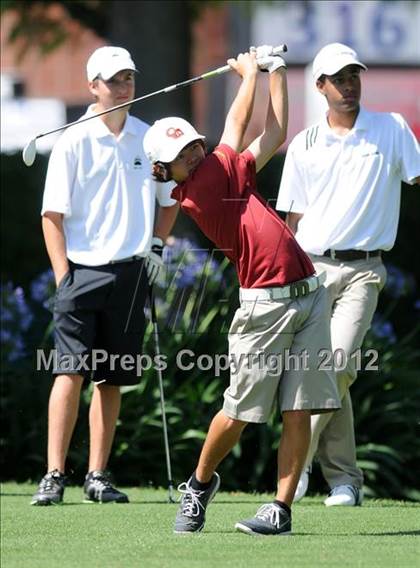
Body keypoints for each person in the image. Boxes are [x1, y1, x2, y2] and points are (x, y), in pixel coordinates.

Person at [143, 47, 341, 536]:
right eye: (180, 156)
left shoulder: (226, 173)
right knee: (240, 412)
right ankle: (199, 483)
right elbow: (236, 124)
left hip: (308, 294)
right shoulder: (200, 189)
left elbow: (274, 133)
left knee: (298, 409)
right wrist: (248, 73)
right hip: (264, 309)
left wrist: (275, 73)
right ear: (167, 173)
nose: (191, 154)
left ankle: (280, 508)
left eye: (192, 145)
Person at [31, 46, 178, 506]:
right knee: (69, 372)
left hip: (131, 273)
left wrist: (155, 246)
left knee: (111, 379)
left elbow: (169, 200)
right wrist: (63, 278)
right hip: (81, 272)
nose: (122, 88)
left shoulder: (149, 138)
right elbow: (51, 215)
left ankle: (97, 475)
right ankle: (54, 475)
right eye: (113, 80)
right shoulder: (73, 139)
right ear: (93, 84)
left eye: (128, 79)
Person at [276, 42, 420, 507]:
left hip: (363, 270)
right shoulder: (304, 143)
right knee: (325, 373)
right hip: (311, 267)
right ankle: (345, 481)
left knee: (335, 365)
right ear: (320, 87)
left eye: (354, 76)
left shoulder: (391, 128)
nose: (349, 85)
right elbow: (289, 220)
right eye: (339, 79)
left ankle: (294, 470)